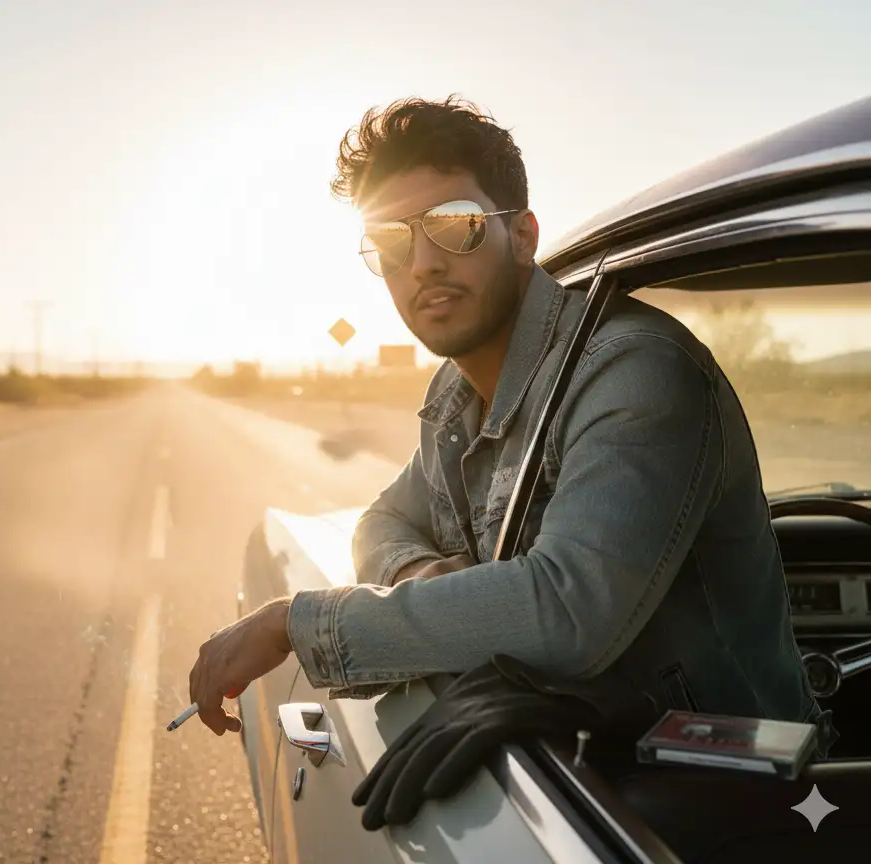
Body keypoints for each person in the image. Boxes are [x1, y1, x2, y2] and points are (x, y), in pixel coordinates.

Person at [186, 95, 828, 750]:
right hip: (604, 762)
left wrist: (293, 624)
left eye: (454, 225)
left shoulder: (636, 372)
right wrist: (422, 577)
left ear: (522, 236)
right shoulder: (456, 393)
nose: (422, 262)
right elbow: (384, 522)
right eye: (390, 240)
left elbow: (565, 611)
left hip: (746, 782)